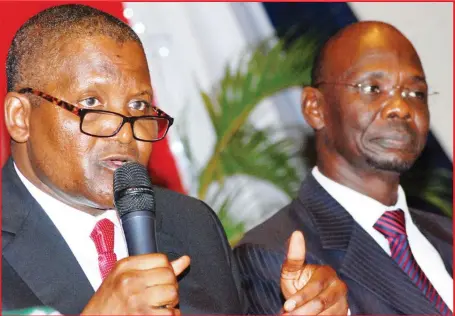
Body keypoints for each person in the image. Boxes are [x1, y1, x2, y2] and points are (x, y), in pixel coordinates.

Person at [2, 4, 349, 315]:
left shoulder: (193, 225)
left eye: (139, 106)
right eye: (91, 103)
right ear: (20, 117)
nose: (126, 134)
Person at [234, 21, 453, 316]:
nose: (401, 107)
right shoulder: (271, 255)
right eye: (373, 88)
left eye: (416, 93)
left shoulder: (445, 233)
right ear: (315, 107)